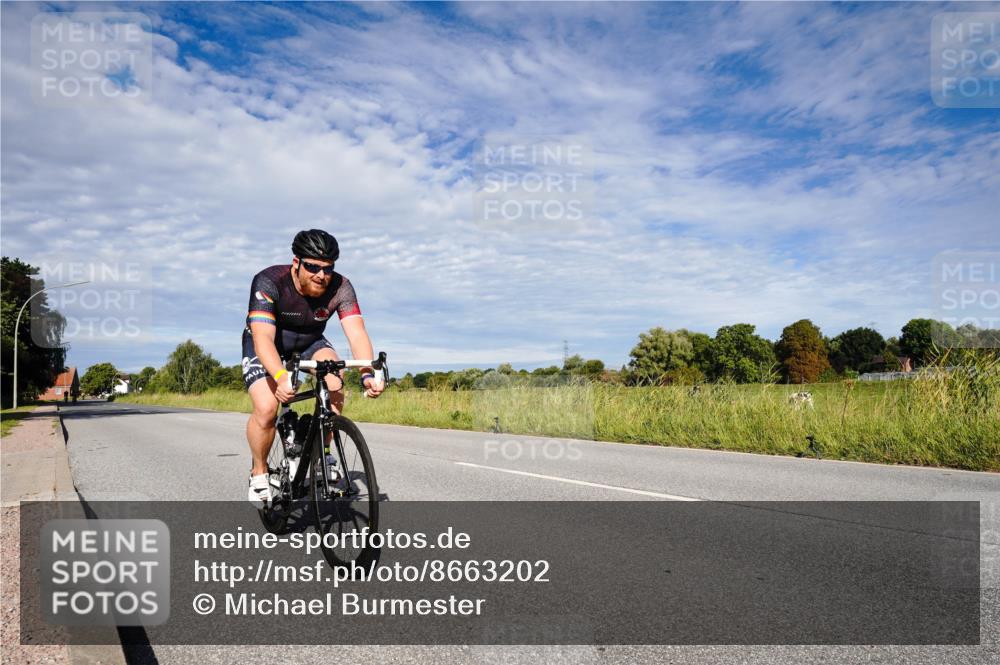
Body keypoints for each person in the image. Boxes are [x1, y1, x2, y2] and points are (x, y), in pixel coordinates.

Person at [242, 229, 383, 504]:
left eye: (328, 268)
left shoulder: (341, 287)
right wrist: (281, 376)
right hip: (268, 342)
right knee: (267, 407)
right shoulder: (269, 281)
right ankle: (258, 472)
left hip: (310, 341)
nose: (321, 275)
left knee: (335, 381)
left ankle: (323, 452)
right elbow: (263, 338)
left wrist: (367, 373)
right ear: (296, 263)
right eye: (313, 267)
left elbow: (356, 333)